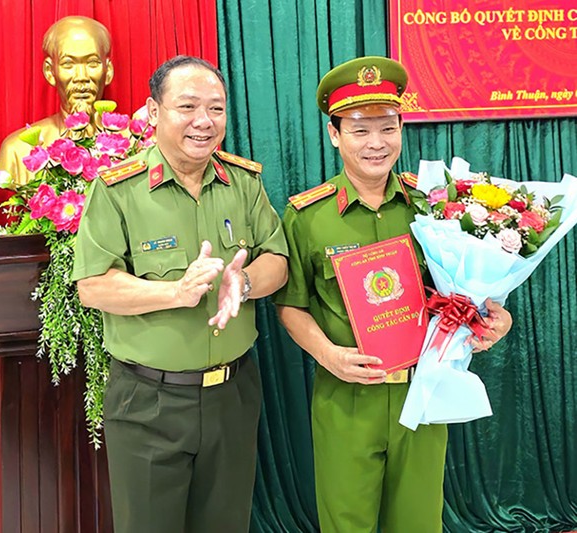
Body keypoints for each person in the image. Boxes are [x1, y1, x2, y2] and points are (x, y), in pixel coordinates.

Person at [274, 56, 513, 533]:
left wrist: (493, 319)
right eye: (360, 130)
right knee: (346, 525)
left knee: (419, 523)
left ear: (403, 129)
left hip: (424, 393)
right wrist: (328, 355)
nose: (376, 143)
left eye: (388, 127)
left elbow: (464, 290)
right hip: (346, 399)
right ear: (333, 135)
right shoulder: (306, 215)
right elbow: (290, 305)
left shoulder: (435, 207)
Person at [72, 55, 288, 533]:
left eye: (216, 108)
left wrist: (245, 281)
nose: (203, 121)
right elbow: (93, 286)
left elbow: (278, 260)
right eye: (187, 106)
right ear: (153, 113)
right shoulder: (117, 190)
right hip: (149, 400)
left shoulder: (244, 183)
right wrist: (175, 292)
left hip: (232, 396)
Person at [0, 16, 114, 184]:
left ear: (108, 71)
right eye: (68, 64)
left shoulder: (133, 144)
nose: (81, 77)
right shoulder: (18, 150)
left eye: (92, 63)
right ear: (50, 72)